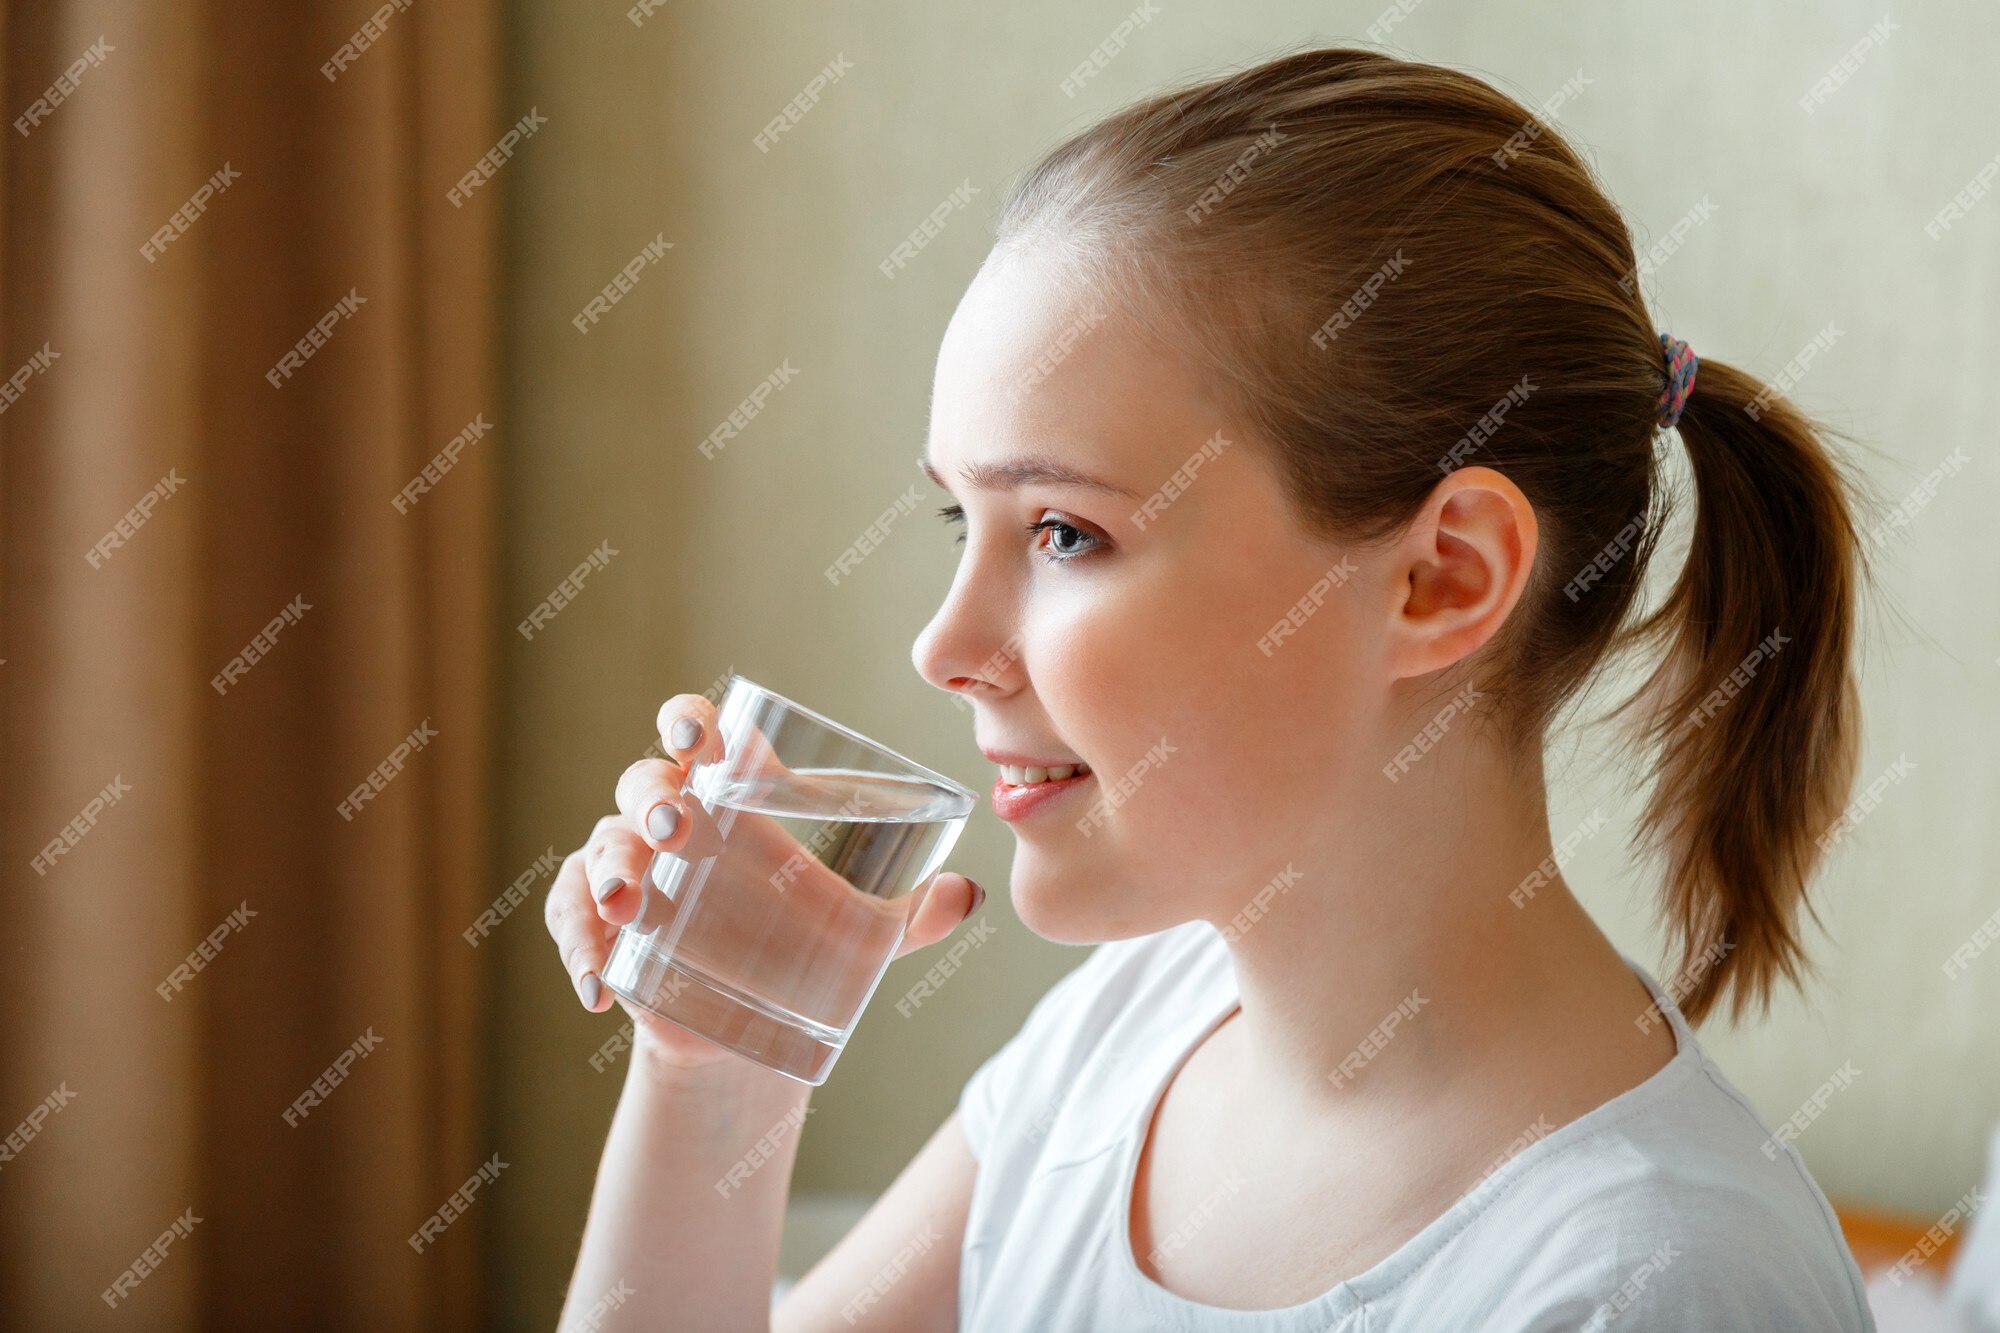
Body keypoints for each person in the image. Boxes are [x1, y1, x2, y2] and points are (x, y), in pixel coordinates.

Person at [545, 46, 1876, 1331]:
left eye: (1065, 531)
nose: (942, 647)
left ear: (1442, 579)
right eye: (965, 523)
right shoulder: (1126, 1036)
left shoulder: (1656, 1286)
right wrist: (717, 1073)